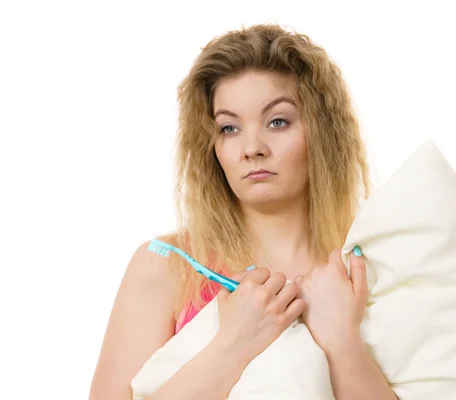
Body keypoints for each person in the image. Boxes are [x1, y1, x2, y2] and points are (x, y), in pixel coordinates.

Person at [89, 23, 399, 400]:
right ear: (211, 146)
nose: (252, 147)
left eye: (278, 121)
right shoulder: (166, 268)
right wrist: (235, 344)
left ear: (321, 133)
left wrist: (343, 340)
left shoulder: (371, 268)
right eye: (230, 128)